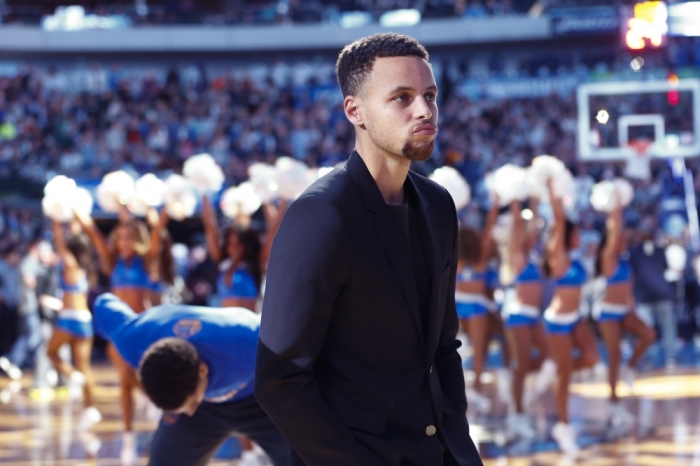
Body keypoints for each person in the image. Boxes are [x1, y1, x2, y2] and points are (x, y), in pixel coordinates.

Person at [256, 33, 482, 465]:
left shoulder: (438, 204)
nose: (424, 110)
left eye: (429, 95)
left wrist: (458, 441)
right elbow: (280, 379)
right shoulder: (320, 214)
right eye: (401, 97)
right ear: (354, 110)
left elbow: (442, 346)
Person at [92, 293, 289, 466]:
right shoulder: (134, 340)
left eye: (192, 403)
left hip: (260, 401)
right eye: (183, 407)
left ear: (202, 370)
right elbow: (103, 302)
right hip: (203, 414)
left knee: (310, 458)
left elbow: (305, 340)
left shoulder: (251, 340)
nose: (190, 410)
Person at [74, 207, 168, 463]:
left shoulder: (147, 259)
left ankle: (153, 400)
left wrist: (166, 207)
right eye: (121, 237)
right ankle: (128, 440)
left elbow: (158, 231)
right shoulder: (112, 261)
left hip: (142, 328)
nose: (124, 242)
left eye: (129, 237)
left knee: (136, 376)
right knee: (125, 382)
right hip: (119, 328)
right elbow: (93, 233)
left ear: (138, 239)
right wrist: (75, 207)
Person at [542, 178, 599, 454]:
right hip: (558, 322)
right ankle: (563, 427)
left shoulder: (575, 259)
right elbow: (560, 222)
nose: (579, 237)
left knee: (591, 358)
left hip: (576, 317)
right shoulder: (560, 258)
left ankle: (557, 371)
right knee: (566, 377)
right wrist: (553, 192)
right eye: (574, 234)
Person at [594, 201, 655, 426]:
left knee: (649, 334)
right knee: (614, 357)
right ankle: (614, 404)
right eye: (619, 238)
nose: (623, 241)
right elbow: (616, 231)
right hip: (609, 313)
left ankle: (629, 369)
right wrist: (615, 207)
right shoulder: (608, 258)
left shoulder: (624, 259)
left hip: (624, 310)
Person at [501, 198, 555, 438]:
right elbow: (520, 230)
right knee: (522, 366)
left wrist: (534, 199)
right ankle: (517, 414)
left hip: (534, 317)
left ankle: (515, 386)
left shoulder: (534, 255)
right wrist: (517, 202)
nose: (532, 235)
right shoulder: (517, 254)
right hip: (519, 316)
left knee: (549, 357)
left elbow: (533, 228)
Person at [46, 220, 102, 431]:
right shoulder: (86, 269)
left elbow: (60, 243)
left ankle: (71, 375)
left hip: (69, 318)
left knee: (50, 353)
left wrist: (56, 221)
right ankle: (90, 409)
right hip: (85, 320)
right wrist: (75, 221)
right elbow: (76, 241)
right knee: (86, 367)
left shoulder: (70, 264)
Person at [455, 201, 498, 414]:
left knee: (451, 350)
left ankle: (455, 390)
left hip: (455, 304)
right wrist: (494, 207)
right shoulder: (480, 259)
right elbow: (489, 232)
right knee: (479, 351)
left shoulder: (456, 259)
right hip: (476, 306)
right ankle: (476, 390)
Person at [629, 234, 678, 368]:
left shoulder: (636, 253)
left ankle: (653, 359)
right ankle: (667, 359)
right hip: (655, 295)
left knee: (648, 331)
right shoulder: (642, 252)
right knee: (657, 330)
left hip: (651, 296)